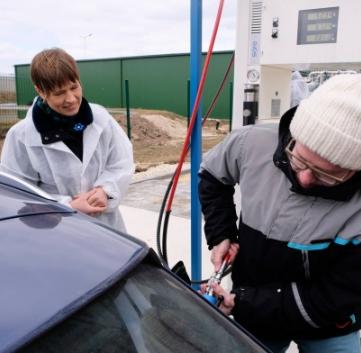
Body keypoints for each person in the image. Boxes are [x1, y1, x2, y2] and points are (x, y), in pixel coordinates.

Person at [199, 74, 361, 353]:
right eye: (299, 160)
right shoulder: (251, 142)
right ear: (293, 136)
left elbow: (334, 297)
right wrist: (221, 233)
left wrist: (242, 301)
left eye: (327, 174)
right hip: (254, 313)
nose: (306, 179)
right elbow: (212, 177)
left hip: (329, 324)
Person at [1, 48, 134, 232]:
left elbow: (122, 163)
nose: (71, 99)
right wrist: (67, 207)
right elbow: (18, 193)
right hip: (58, 234)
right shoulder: (21, 136)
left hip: (107, 229)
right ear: (40, 91)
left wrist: (106, 191)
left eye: (74, 87)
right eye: (59, 93)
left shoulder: (101, 119)